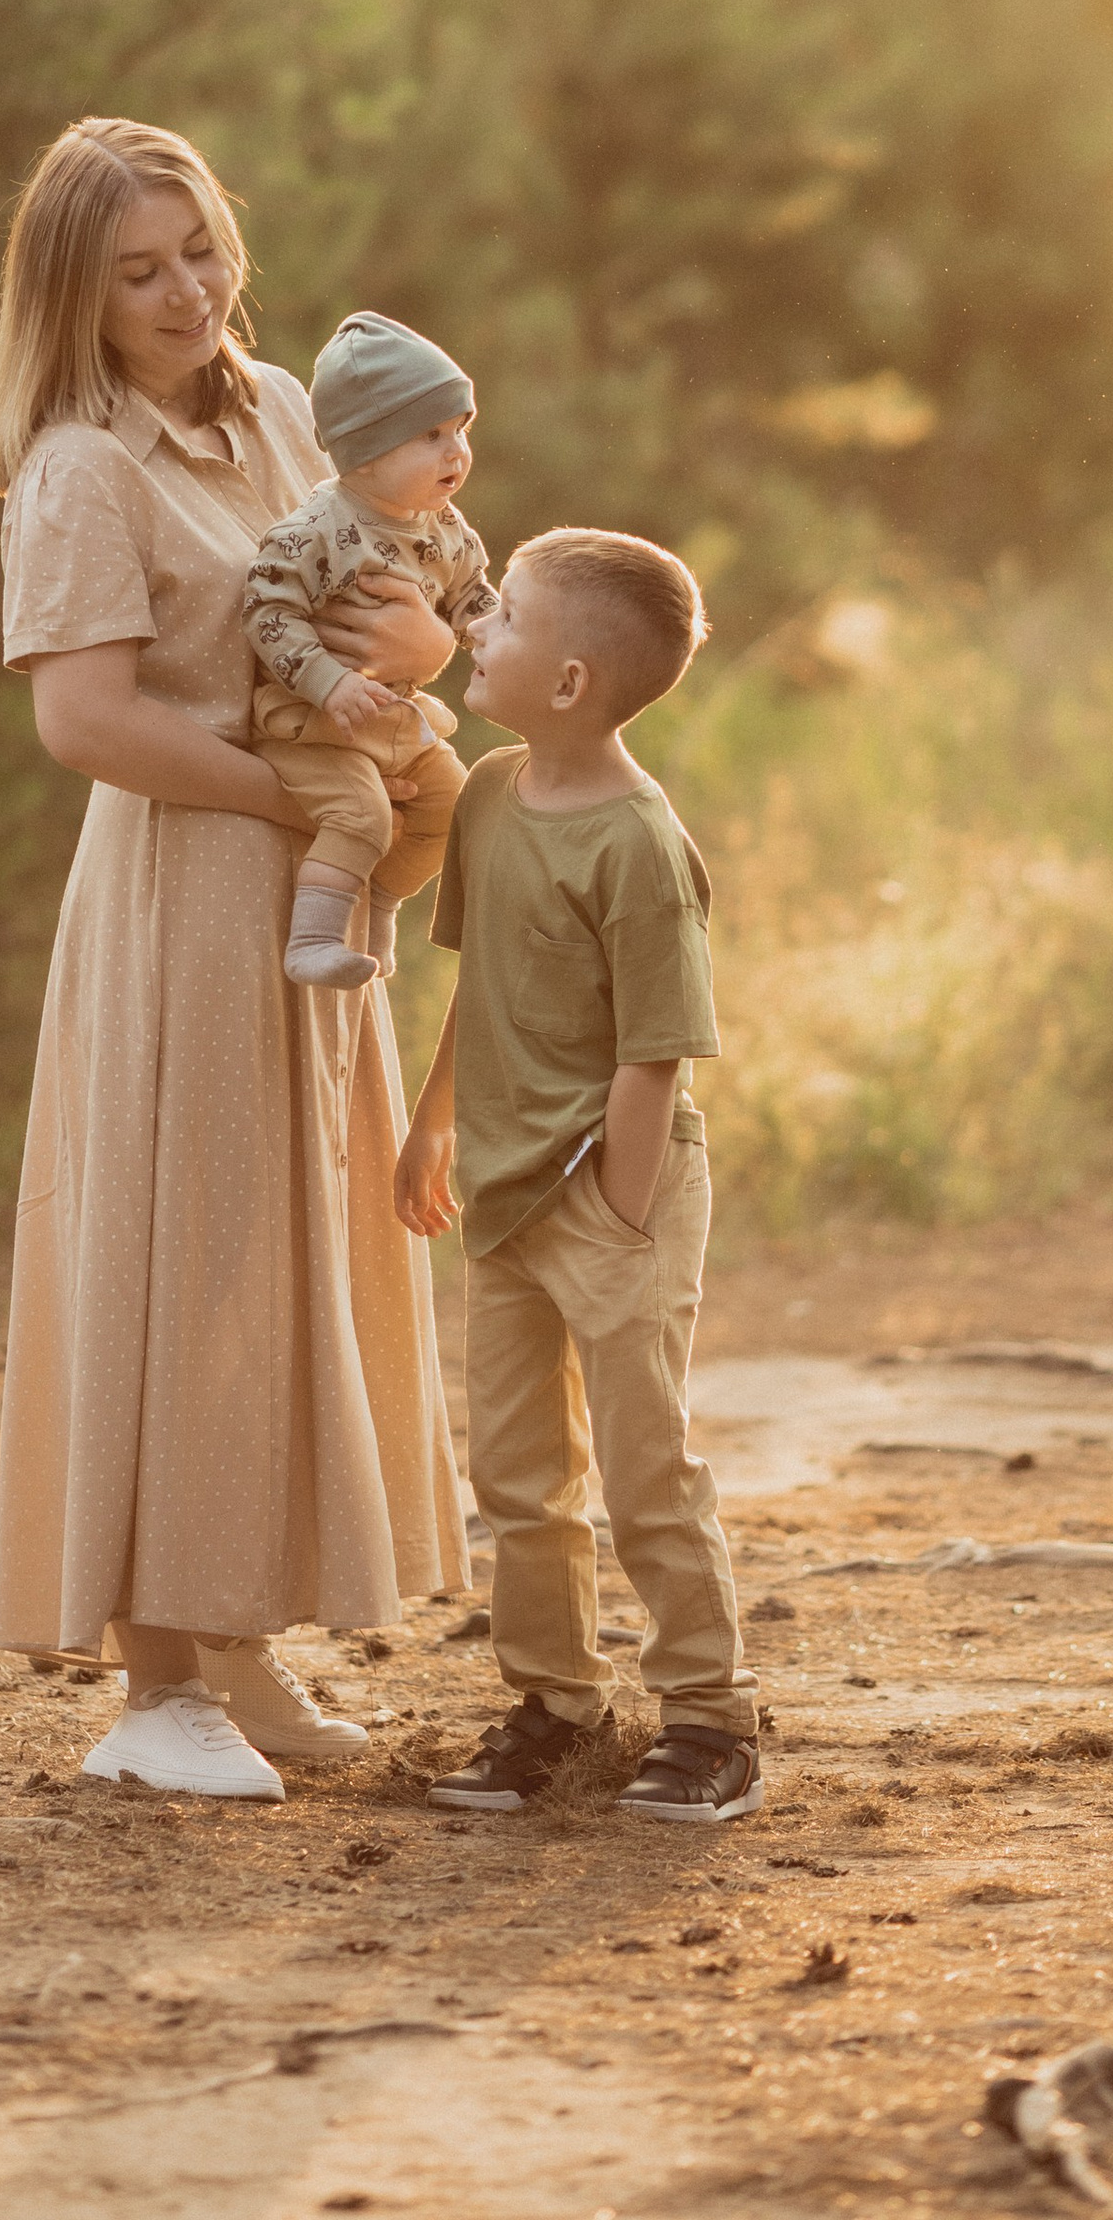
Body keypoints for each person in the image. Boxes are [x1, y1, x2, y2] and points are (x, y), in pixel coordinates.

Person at [0, 118, 469, 1803]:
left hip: (320, 878)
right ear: (78, 294)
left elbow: (374, 583)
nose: (188, 291)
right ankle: (156, 1681)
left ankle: (243, 1639)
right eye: (141, 271)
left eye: (199, 249)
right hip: (190, 885)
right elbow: (84, 717)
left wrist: (415, 693)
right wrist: (293, 795)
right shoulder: (79, 466)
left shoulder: (281, 409)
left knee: (280, 1256)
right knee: (183, 1255)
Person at [395, 528, 762, 1824]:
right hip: (501, 1194)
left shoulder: (641, 848)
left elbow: (656, 1055)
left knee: (643, 1458)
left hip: (620, 1196)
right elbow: (476, 984)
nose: (475, 622)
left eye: (500, 615)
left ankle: (714, 1717)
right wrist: (431, 1123)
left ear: (568, 682)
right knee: (515, 1468)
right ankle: (555, 1703)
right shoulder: (490, 795)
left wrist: (617, 1210)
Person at [242, 311, 497, 991]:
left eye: (461, 429)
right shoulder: (315, 531)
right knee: (361, 813)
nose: (456, 451)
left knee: (454, 805)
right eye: (432, 434)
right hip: (317, 726)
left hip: (394, 719)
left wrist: (501, 637)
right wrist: (326, 680)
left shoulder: (443, 525)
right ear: (367, 451)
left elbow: (474, 596)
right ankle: (315, 939)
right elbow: (266, 612)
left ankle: (380, 902)